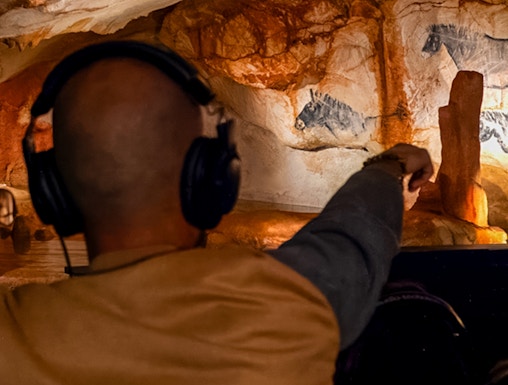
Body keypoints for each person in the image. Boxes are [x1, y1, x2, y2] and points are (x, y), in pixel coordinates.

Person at [0, 41, 433, 384]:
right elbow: (353, 235)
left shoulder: (12, 334)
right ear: (211, 179)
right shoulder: (292, 303)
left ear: (52, 194)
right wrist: (390, 164)